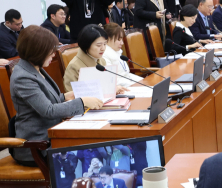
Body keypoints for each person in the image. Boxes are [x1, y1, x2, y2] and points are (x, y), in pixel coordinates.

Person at [10, 26, 102, 166]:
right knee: (92, 148)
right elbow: (48, 110)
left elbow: (47, 100)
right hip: (37, 146)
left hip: (51, 135)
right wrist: (82, 102)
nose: (53, 54)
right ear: (37, 51)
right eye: (50, 51)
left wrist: (66, 96)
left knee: (96, 143)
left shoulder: (34, 68)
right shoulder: (23, 77)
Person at [63, 24, 126, 94]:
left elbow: (106, 86)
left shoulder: (102, 61)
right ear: (86, 45)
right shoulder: (74, 66)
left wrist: (113, 90)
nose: (103, 48)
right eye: (99, 45)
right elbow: (72, 97)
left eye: (105, 44)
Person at [103, 23, 143, 88]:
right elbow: (113, 81)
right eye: (119, 39)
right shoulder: (104, 56)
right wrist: (135, 84)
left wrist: (143, 81)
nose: (122, 43)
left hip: (128, 85)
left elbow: (127, 75)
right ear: (108, 39)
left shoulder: (118, 52)